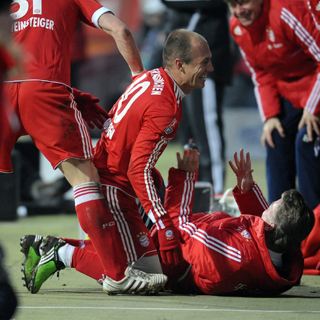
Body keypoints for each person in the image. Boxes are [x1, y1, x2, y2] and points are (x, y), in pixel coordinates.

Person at [19, 28, 214, 295]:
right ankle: (60, 253)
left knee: (152, 273)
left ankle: (55, 248)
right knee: (150, 278)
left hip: (112, 184)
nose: (210, 68)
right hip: (115, 192)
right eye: (204, 62)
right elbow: (138, 169)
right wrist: (163, 222)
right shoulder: (167, 107)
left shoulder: (150, 77)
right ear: (180, 65)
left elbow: (122, 128)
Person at [3, 0, 169, 295]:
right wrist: (140, 81)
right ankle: (117, 275)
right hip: (45, 89)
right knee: (85, 180)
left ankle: (67, 255)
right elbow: (121, 30)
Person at [20, 148, 315, 296]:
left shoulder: (234, 257)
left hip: (172, 261)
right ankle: (56, 251)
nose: (268, 205)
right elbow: (261, 230)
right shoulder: (284, 252)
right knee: (142, 188)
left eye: (272, 206)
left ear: (274, 226)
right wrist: (248, 191)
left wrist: (184, 179)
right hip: (183, 249)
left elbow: (181, 229)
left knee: (124, 267)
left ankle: (60, 254)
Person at [224, 0, 320, 209]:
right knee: (275, 138)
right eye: (233, 4)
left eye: (244, 2)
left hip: (315, 88)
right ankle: (279, 226)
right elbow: (261, 74)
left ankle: (313, 228)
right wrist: (270, 117)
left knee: (306, 140)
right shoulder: (236, 26)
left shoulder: (286, 12)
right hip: (289, 93)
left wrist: (313, 108)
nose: (239, 11)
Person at [161, 0, 233, 195]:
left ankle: (215, 190)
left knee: (207, 127)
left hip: (202, 62)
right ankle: (196, 189)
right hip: (182, 64)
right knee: (189, 132)